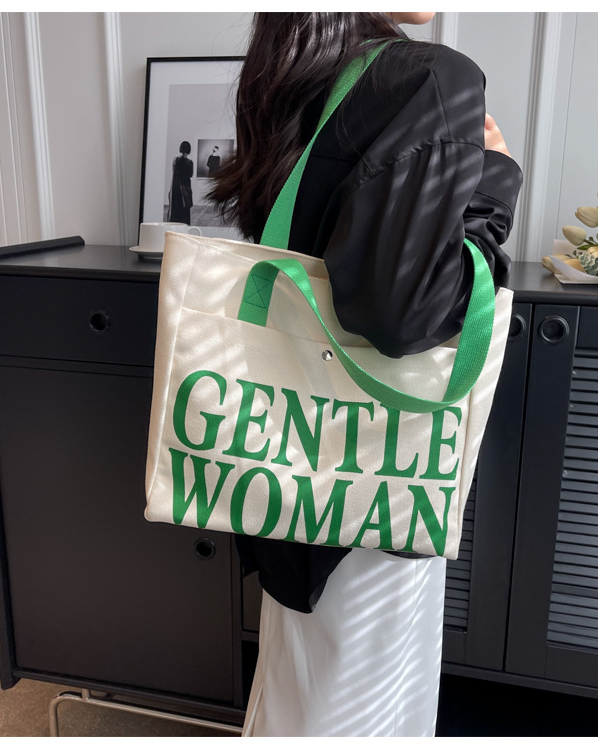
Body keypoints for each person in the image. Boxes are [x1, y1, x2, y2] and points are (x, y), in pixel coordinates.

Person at [208, 12, 522, 737]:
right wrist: (494, 183)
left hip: (284, 471)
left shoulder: (298, 76)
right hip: (373, 480)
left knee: (299, 697)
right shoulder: (430, 78)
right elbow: (404, 314)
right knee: (364, 715)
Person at [167, 140, 194, 223]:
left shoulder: (176, 161)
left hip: (176, 189)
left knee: (176, 211)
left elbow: (175, 173)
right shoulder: (189, 162)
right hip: (185, 189)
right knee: (185, 211)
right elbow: (190, 174)